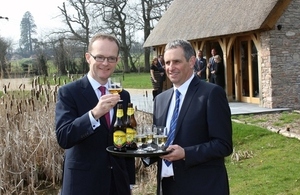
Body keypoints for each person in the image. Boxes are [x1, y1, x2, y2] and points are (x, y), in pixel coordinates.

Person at [55, 33, 135, 195]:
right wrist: (94, 114)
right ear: (88, 57)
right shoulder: (69, 92)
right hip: (82, 185)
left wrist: (130, 181)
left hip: (117, 185)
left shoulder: (123, 95)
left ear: (117, 60)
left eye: (111, 58)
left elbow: (126, 139)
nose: (105, 63)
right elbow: (64, 137)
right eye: (99, 57)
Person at [151, 39, 233, 195]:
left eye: (176, 62)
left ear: (191, 62)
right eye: (167, 62)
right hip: (167, 187)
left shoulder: (211, 94)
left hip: (203, 187)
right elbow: (158, 143)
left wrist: (186, 153)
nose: (170, 68)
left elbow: (223, 144)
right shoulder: (160, 100)